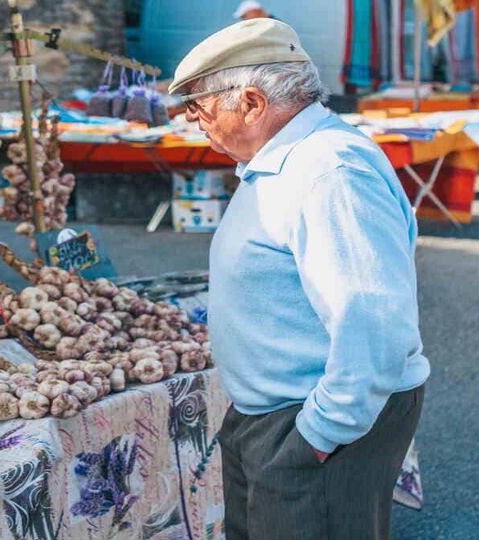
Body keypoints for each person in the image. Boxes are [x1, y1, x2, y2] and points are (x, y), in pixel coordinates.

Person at [169, 19, 428, 539]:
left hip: (309, 418)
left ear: (250, 101)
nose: (193, 121)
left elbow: (372, 318)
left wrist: (320, 433)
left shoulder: (331, 170)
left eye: (198, 106)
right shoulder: (288, 159)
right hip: (276, 412)